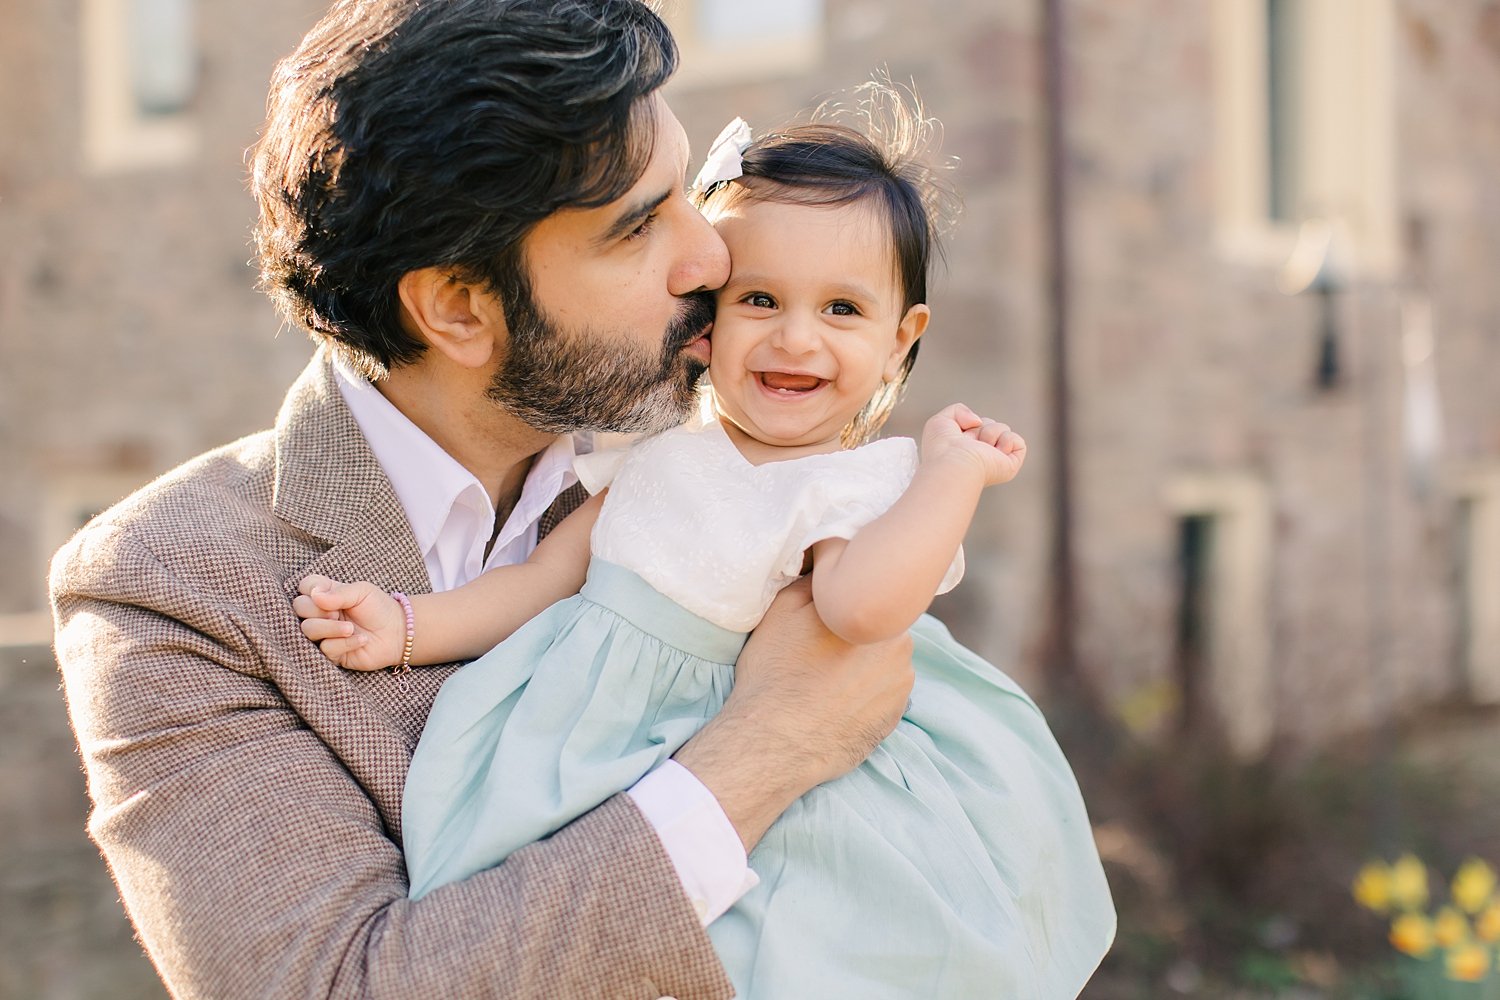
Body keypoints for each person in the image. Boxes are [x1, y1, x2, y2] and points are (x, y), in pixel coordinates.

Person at [47, 3, 921, 997]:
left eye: (691, 192)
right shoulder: (174, 590)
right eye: (640, 226)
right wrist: (766, 755)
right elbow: (339, 986)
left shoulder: (722, 470)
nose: (711, 259)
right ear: (460, 307)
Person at [296, 102, 1116, 998]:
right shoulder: (654, 452)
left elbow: (860, 612)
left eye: (842, 308)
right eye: (759, 299)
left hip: (759, 752)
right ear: (706, 326)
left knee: (784, 950)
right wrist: (410, 625)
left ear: (899, 341)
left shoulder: (853, 487)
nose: (795, 336)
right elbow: (542, 580)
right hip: (585, 743)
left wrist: (950, 479)